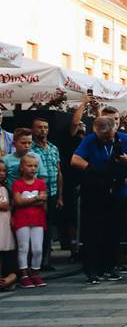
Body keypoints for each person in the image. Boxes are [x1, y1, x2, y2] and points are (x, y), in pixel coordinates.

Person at [71, 116, 127, 284]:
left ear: (115, 128)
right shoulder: (90, 140)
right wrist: (92, 169)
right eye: (103, 137)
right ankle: (92, 269)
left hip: (117, 189)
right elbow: (75, 159)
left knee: (114, 232)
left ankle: (109, 267)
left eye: (109, 137)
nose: (106, 140)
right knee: (93, 231)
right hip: (95, 189)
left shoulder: (125, 139)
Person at [29, 118, 62, 271]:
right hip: (36, 193)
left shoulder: (54, 148)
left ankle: (46, 259)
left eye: (45, 127)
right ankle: (34, 260)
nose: (43, 130)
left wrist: (60, 196)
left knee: (48, 225)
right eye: (39, 127)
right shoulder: (31, 150)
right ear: (33, 130)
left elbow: (58, 171)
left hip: (53, 191)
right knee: (37, 226)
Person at [12, 154, 48, 288]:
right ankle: (24, 274)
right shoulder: (18, 184)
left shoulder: (40, 183)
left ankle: (35, 272)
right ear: (22, 167)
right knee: (23, 247)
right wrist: (36, 199)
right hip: (22, 219)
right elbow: (18, 201)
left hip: (38, 219)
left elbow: (43, 200)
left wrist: (29, 201)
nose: (33, 168)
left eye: (35, 166)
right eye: (29, 165)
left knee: (38, 248)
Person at [0, 162, 15, 291]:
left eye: (4, 171)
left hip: (5, 224)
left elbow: (9, 205)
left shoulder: (6, 188)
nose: (2, 174)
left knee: (5, 251)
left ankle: (8, 278)